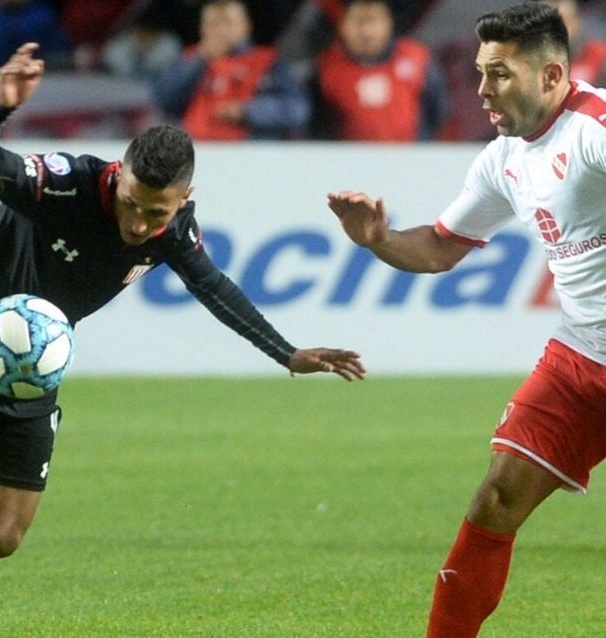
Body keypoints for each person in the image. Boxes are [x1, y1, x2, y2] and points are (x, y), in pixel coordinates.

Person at [0, 41, 366, 638]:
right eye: (131, 204)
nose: (137, 224)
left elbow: (214, 287)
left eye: (155, 214)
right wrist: (2, 107)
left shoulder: (173, 231)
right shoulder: (64, 184)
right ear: (120, 174)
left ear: (182, 200)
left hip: (30, 372)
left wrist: (287, 353)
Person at [327, 4, 606, 636]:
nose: (482, 90)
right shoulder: (504, 158)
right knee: (496, 499)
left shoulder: (594, 129)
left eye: (500, 74)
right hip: (582, 355)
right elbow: (438, 248)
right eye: (481, 72)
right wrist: (378, 239)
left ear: (552, 74)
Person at [150, 0, 310, 140]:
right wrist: (199, 61)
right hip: (197, 148)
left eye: (227, 22)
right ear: (202, 28)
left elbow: (297, 109)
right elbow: (163, 103)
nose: (221, 30)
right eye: (213, 23)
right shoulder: (189, 59)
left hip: (252, 150)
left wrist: (247, 111)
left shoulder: (267, 62)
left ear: (245, 26)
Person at [308, 0, 448, 141]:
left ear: (388, 23)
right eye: (359, 22)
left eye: (373, 21)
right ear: (342, 25)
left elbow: (437, 110)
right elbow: (316, 124)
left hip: (409, 152)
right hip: (347, 154)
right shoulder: (325, 69)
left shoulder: (418, 59)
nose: (366, 32)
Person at [543, 0, 606, 86]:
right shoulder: (532, 58)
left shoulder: (599, 55)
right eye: (548, 25)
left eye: (563, 22)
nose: (556, 31)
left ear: (576, 22)